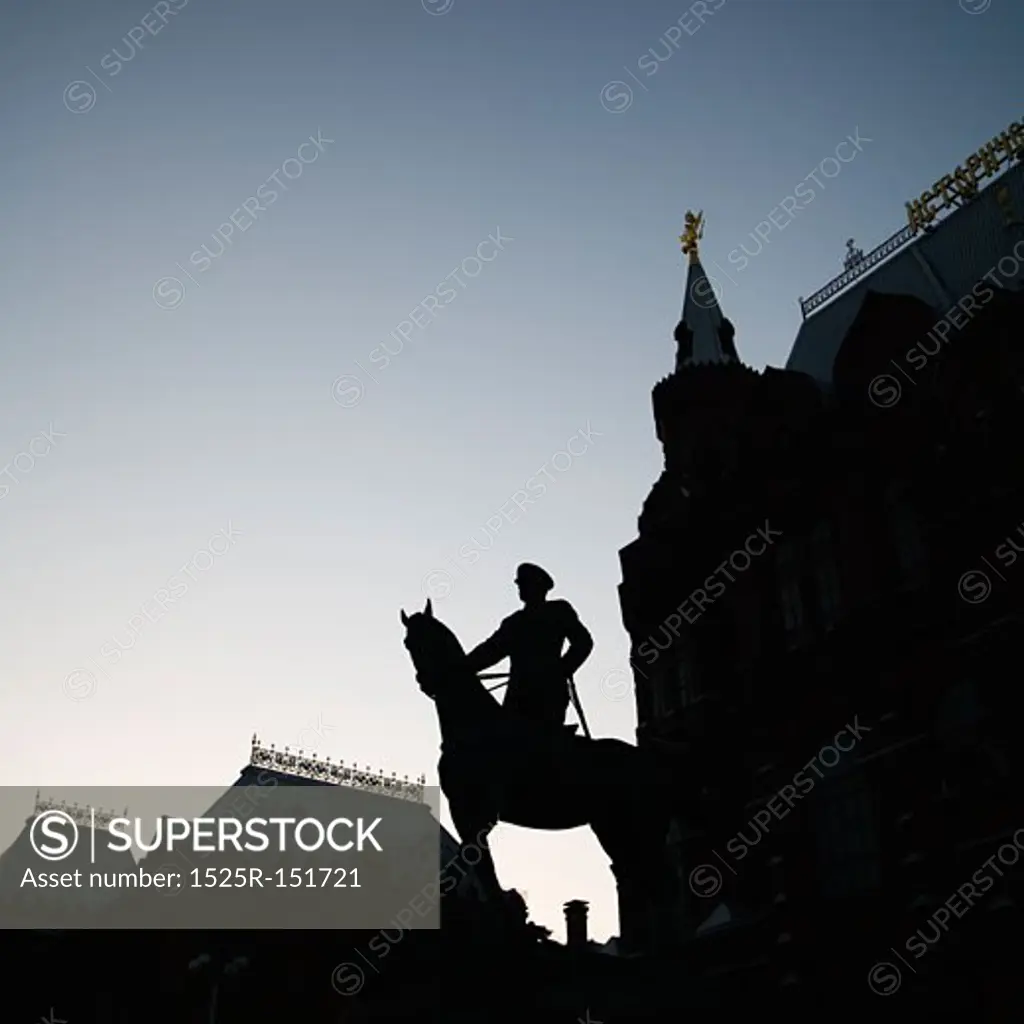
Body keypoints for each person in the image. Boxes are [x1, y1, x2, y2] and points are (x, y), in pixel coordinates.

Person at [465, 563, 593, 730]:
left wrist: (560, 671)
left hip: (548, 696)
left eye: (525, 584)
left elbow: (583, 642)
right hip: (517, 696)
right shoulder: (514, 622)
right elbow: (489, 651)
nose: (521, 588)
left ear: (540, 587)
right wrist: (458, 667)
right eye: (520, 584)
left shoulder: (558, 611)